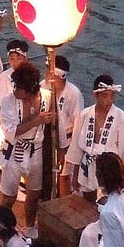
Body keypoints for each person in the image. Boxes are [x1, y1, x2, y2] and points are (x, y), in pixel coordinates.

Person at [64, 75, 124, 199]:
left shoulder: (122, 118)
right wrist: (75, 175)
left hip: (109, 171)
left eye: (112, 96)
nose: (109, 100)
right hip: (87, 167)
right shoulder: (85, 115)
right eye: (105, 96)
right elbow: (76, 148)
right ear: (96, 95)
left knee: (106, 204)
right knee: (87, 201)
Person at [0, 62, 54, 230]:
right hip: (14, 150)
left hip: (36, 150)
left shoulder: (48, 97)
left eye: (18, 88)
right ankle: (1, 226)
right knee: (9, 196)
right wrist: (37, 120)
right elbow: (12, 132)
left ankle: (30, 227)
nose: (15, 91)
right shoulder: (9, 101)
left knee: (34, 194)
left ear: (29, 89)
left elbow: (55, 122)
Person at [45, 56, 83, 197]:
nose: (47, 76)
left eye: (50, 73)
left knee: (64, 175)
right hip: (47, 136)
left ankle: (64, 200)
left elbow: (78, 124)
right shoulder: (44, 86)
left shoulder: (74, 94)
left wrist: (69, 150)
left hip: (67, 140)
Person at [0, 38, 29, 105]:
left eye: (18, 59)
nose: (15, 62)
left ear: (25, 58)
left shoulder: (31, 74)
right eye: (12, 59)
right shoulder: (4, 76)